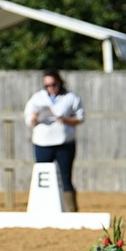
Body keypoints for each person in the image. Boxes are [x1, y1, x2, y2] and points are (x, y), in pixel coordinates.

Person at [24, 69, 85, 211]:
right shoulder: (37, 98)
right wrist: (34, 118)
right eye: (47, 86)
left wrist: (65, 120)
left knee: (65, 178)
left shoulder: (71, 97)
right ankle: (42, 209)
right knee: (42, 176)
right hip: (42, 143)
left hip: (64, 143)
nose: (50, 88)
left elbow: (81, 118)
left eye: (53, 84)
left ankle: (71, 211)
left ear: (60, 83)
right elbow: (28, 119)